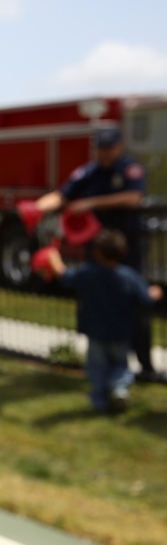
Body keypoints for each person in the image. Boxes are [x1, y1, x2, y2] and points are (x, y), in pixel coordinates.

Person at [34, 126, 161, 382]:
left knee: (135, 309)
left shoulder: (129, 169)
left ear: (119, 146)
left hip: (127, 253)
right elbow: (62, 195)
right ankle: (105, 367)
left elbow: (134, 198)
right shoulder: (88, 172)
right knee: (98, 305)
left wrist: (91, 203)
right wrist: (34, 209)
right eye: (99, 148)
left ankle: (144, 366)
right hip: (97, 252)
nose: (102, 153)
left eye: (108, 148)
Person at [41, 229, 162, 413]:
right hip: (121, 333)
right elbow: (145, 298)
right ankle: (120, 389)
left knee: (97, 368)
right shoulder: (128, 276)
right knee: (120, 364)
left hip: (95, 332)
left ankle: (99, 401)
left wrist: (52, 256)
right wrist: (156, 292)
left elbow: (65, 277)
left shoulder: (87, 273)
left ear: (96, 252)